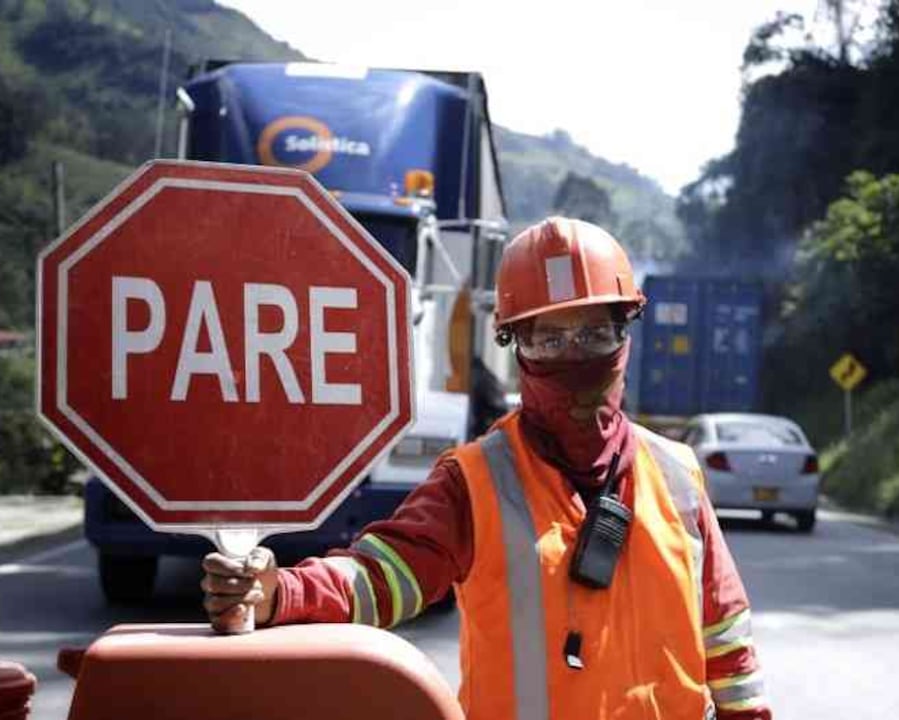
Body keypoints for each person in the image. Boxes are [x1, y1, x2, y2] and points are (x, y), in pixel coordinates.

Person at [201, 217, 772, 719]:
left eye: (595, 333)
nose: (575, 356)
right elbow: (381, 575)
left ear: (624, 334)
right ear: (515, 347)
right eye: (551, 338)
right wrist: (279, 593)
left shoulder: (676, 473)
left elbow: (724, 628)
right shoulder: (472, 482)